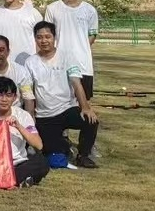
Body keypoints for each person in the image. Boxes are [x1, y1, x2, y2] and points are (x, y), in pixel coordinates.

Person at [22, 21, 100, 169]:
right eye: (39, 37)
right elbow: (28, 93)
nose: (44, 41)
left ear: (54, 37)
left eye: (47, 36)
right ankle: (64, 147)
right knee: (54, 156)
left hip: (67, 108)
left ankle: (83, 155)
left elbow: (76, 83)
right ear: (35, 38)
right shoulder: (30, 62)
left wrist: (85, 107)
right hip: (45, 116)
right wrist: (30, 117)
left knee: (91, 121)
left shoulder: (67, 56)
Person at [0, 77, 50, 187]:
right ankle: (18, 179)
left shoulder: (24, 115)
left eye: (8, 95)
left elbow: (38, 145)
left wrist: (19, 126)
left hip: (18, 163)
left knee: (42, 162)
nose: (4, 99)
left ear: (15, 97)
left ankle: (9, 179)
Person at [45, 0, 100, 100]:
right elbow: (47, 35)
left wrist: (80, 48)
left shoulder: (89, 10)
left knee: (83, 103)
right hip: (58, 64)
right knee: (59, 102)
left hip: (83, 64)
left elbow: (92, 34)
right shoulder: (52, 8)